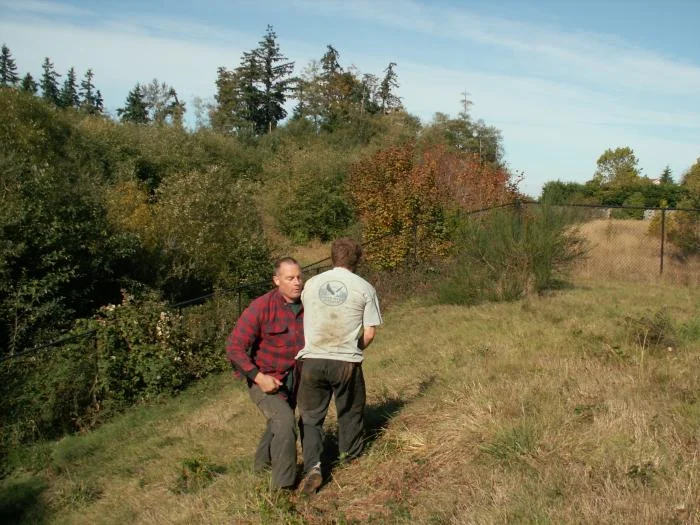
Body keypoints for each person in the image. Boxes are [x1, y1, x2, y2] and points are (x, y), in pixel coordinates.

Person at [295, 237, 383, 496]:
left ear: (332, 257)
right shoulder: (365, 288)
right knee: (350, 410)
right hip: (346, 361)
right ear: (357, 259)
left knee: (311, 418)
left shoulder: (310, 285)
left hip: (311, 359)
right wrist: (355, 349)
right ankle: (351, 458)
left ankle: (313, 466)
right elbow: (369, 334)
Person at [225, 257, 304, 490]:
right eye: (290, 278)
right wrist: (259, 378)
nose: (297, 282)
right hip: (265, 380)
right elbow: (234, 347)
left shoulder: (309, 302)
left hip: (297, 378)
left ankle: (262, 466)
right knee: (285, 422)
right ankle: (283, 488)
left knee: (278, 424)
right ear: (276, 280)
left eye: (299, 277)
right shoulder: (261, 307)